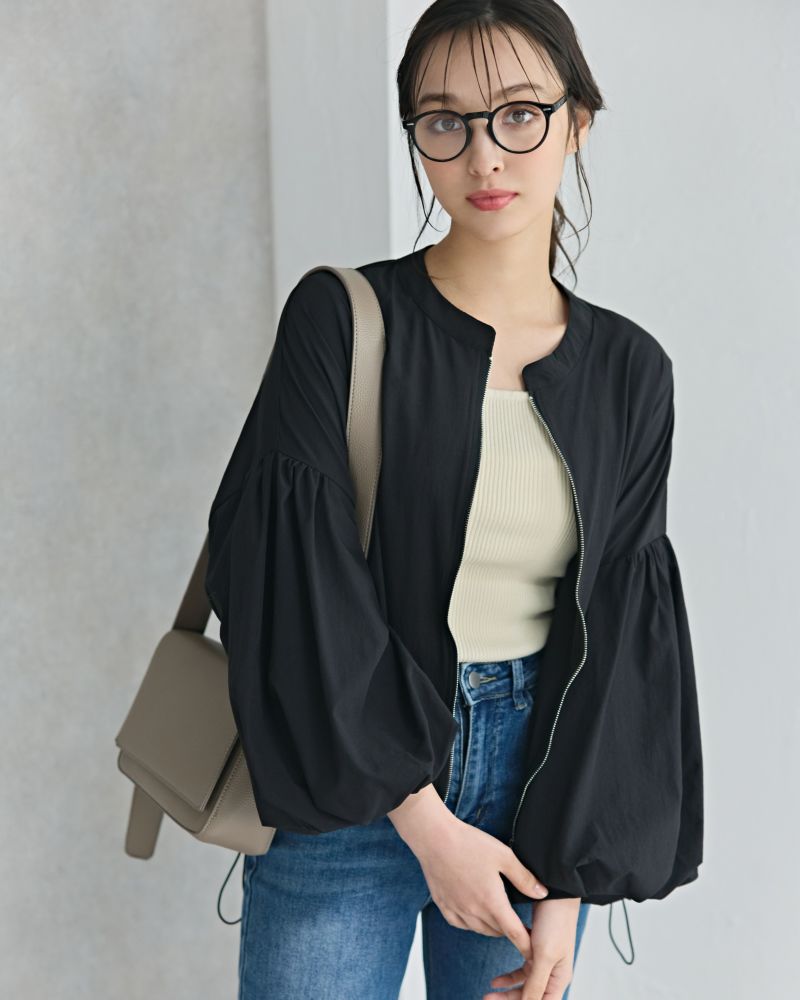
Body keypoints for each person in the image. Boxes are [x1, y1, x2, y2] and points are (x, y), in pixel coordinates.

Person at [204, 2, 704, 998]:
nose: (484, 156)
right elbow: (293, 588)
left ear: (577, 121)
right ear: (416, 136)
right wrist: (426, 823)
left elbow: (620, 637)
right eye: (445, 121)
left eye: (519, 113)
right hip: (349, 788)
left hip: (538, 800)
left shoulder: (629, 371)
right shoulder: (340, 320)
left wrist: (567, 883)